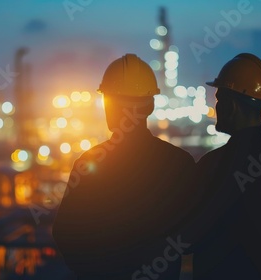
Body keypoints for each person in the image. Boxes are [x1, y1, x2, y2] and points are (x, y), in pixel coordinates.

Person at [52, 54, 196, 279]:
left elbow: (64, 233)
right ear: (150, 105)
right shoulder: (180, 163)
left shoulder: (89, 163)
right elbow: (191, 238)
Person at [180, 53, 261, 279]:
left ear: (232, 106)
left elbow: (188, 239)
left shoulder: (213, 165)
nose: (216, 107)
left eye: (219, 99)